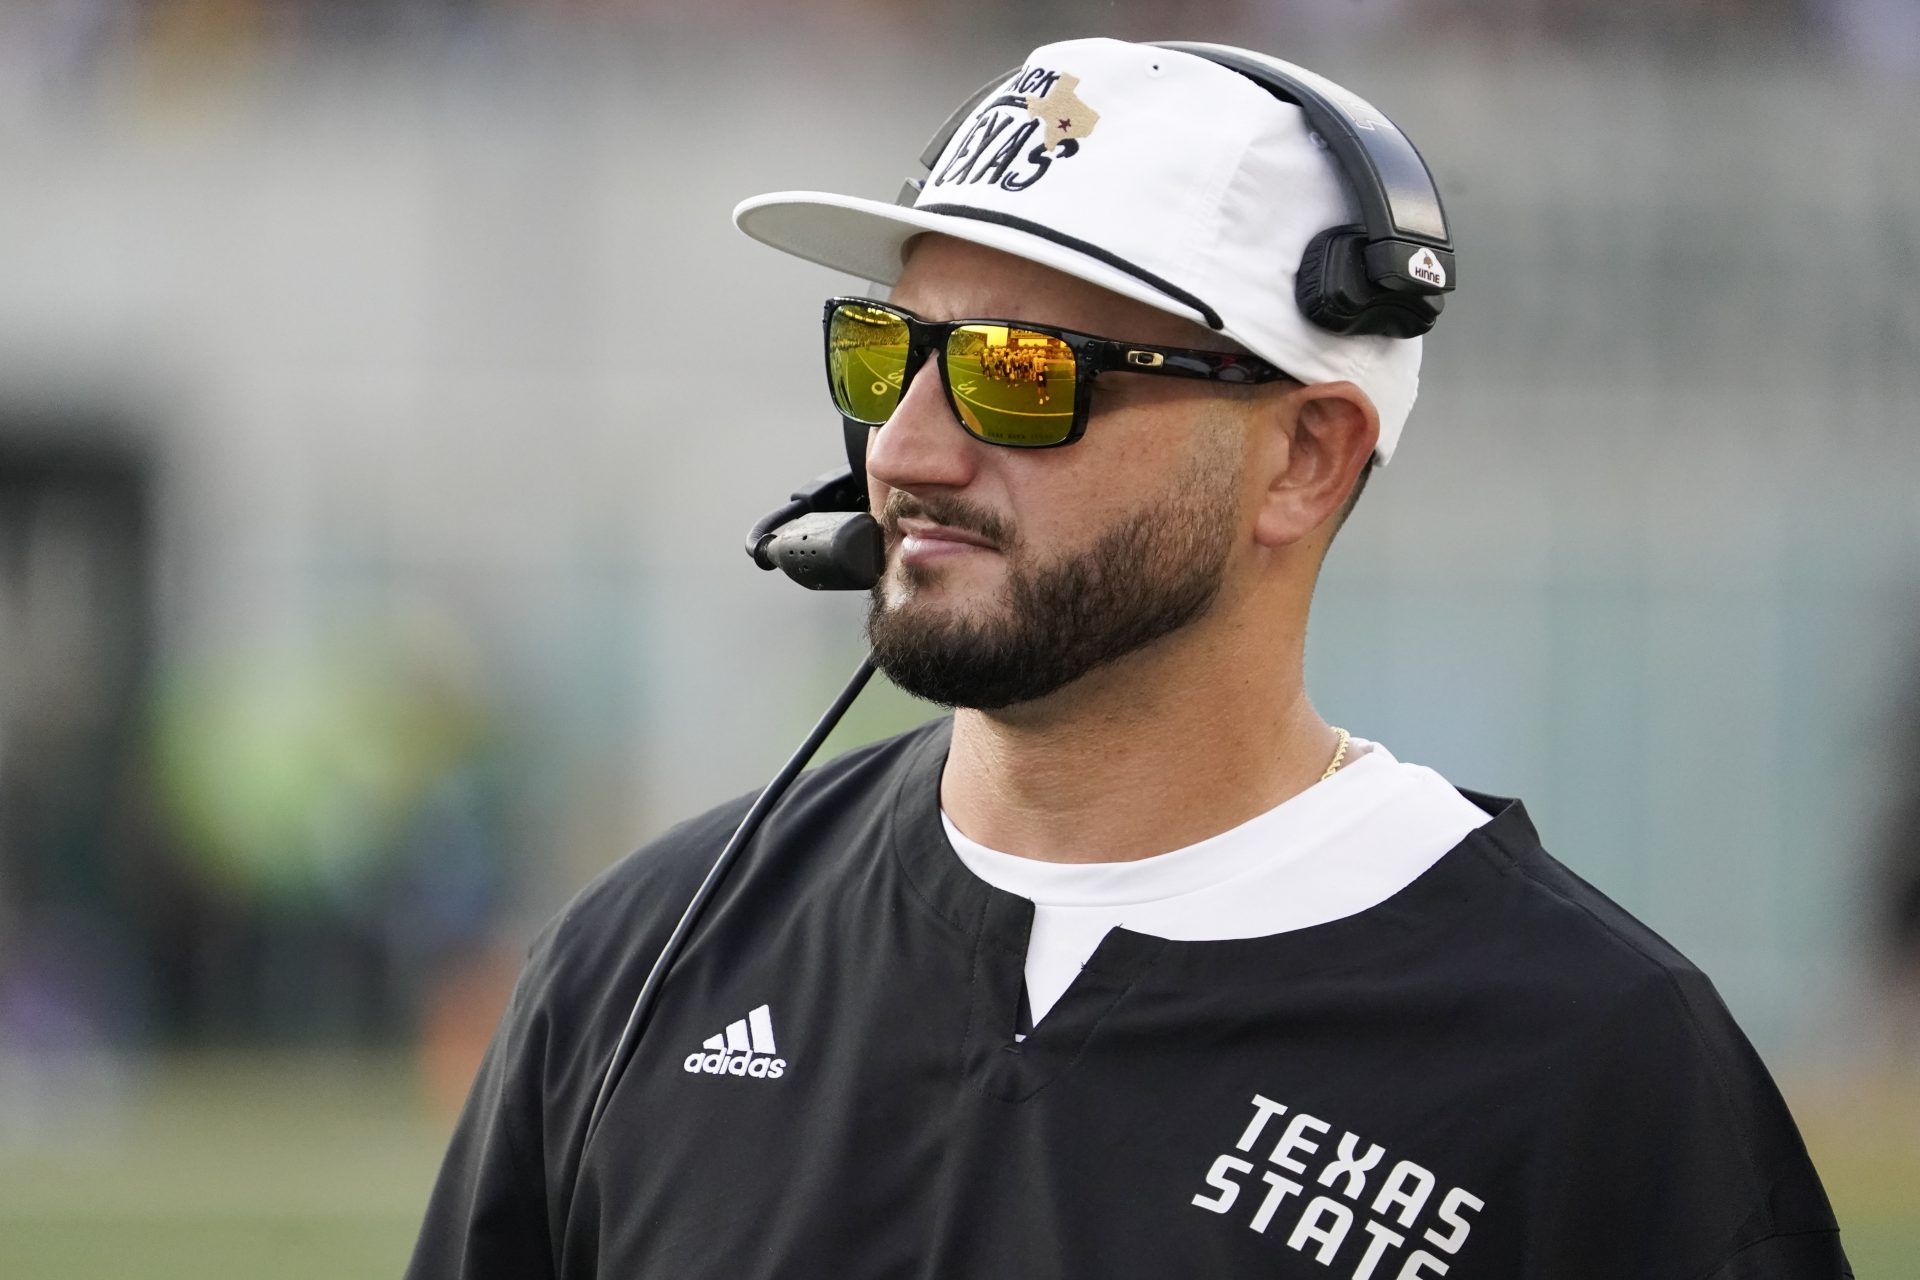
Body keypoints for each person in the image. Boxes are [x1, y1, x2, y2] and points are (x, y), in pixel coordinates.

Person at [407, 37, 1850, 1279]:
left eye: (1021, 373)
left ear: (1304, 455)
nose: (905, 449)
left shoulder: (1595, 1061)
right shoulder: (650, 956)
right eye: (883, 353)